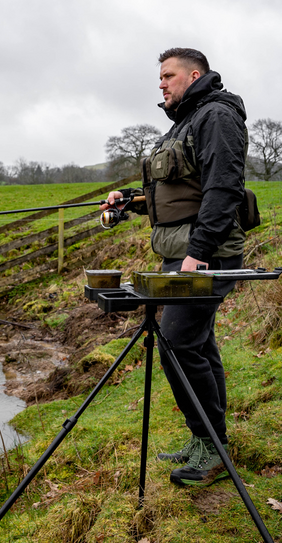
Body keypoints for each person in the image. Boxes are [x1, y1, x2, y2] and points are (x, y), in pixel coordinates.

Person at [102, 47, 247, 487]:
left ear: (194, 74)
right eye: (159, 78)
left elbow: (223, 190)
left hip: (206, 254)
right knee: (198, 345)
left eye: (168, 75)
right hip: (181, 252)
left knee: (179, 345)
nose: (161, 84)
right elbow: (177, 192)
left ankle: (212, 446)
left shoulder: (216, 117)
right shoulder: (185, 122)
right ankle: (210, 440)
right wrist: (129, 199)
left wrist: (198, 252)